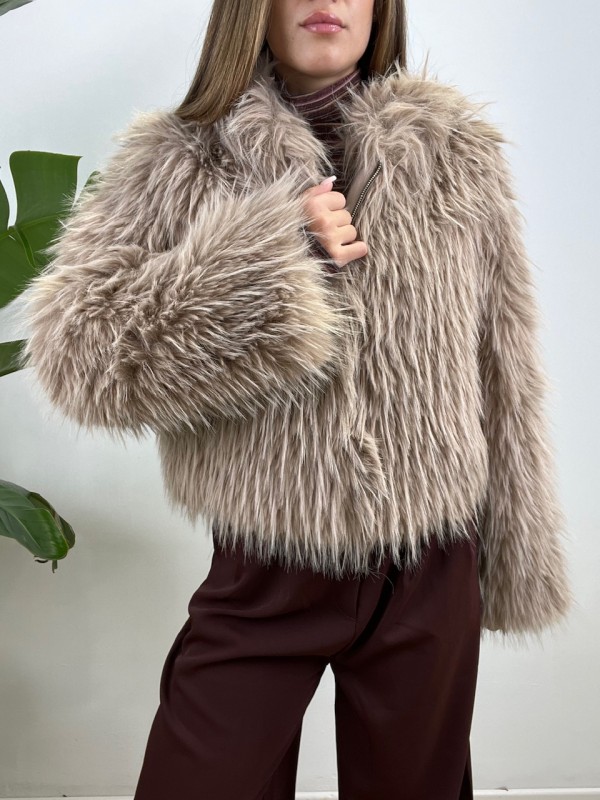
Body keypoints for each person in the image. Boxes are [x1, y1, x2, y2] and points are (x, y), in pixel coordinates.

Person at [18, 0, 575, 797]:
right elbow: (80, 355)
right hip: (265, 567)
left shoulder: (455, 150)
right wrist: (276, 251)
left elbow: (503, 364)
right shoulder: (180, 157)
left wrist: (519, 551)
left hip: (430, 564)